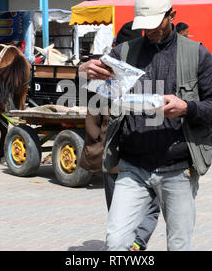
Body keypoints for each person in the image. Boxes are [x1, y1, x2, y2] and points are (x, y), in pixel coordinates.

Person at [79, 0, 212, 251]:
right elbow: (96, 95)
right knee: (115, 243)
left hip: (178, 168)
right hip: (133, 167)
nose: (149, 32)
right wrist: (82, 71)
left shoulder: (196, 54)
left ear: (171, 15)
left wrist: (187, 108)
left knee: (179, 244)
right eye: (144, 26)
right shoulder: (123, 53)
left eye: (156, 24)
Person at [78, 20, 160, 251]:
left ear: (117, 43)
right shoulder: (149, 67)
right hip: (147, 150)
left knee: (117, 206)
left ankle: (126, 242)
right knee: (152, 203)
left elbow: (93, 109)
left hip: (114, 152)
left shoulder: (107, 72)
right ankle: (136, 241)